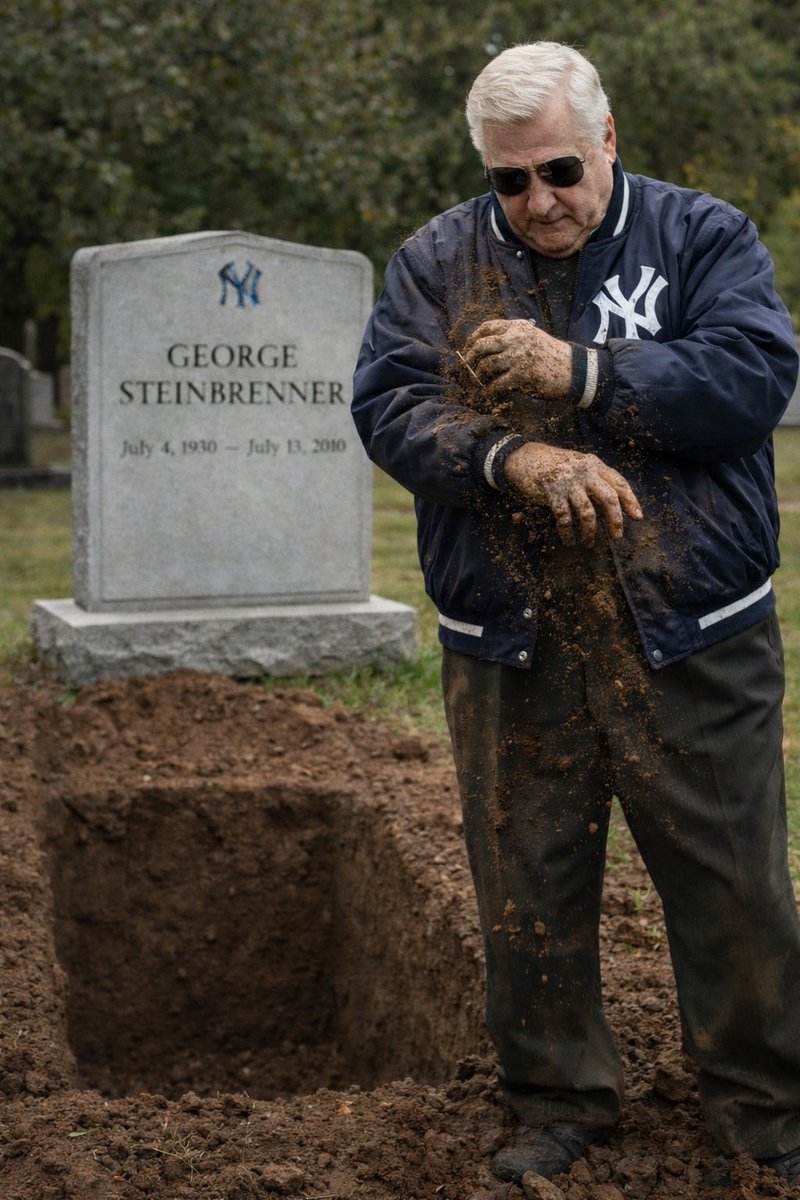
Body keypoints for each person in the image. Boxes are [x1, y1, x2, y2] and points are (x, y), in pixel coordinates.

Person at [351, 40, 800, 1186]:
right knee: (527, 886)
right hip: (513, 637)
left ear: (605, 141)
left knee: (731, 886)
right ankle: (556, 1105)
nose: (538, 202)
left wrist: (584, 374)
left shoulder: (701, 237)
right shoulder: (435, 263)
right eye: (510, 181)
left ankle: (762, 1114)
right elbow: (392, 409)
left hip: (688, 627)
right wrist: (509, 458)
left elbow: (751, 375)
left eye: (558, 170)